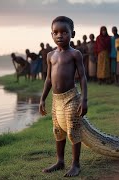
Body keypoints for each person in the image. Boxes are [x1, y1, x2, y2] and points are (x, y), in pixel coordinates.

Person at [39, 16, 88, 177]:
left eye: (64, 32)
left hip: (71, 97)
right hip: (56, 100)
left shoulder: (75, 54)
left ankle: (76, 164)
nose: (60, 35)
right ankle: (60, 161)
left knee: (73, 130)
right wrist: (42, 99)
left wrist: (84, 99)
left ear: (72, 34)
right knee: (58, 131)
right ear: (51, 35)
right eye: (56, 32)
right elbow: (48, 79)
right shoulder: (50, 55)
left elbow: (82, 77)